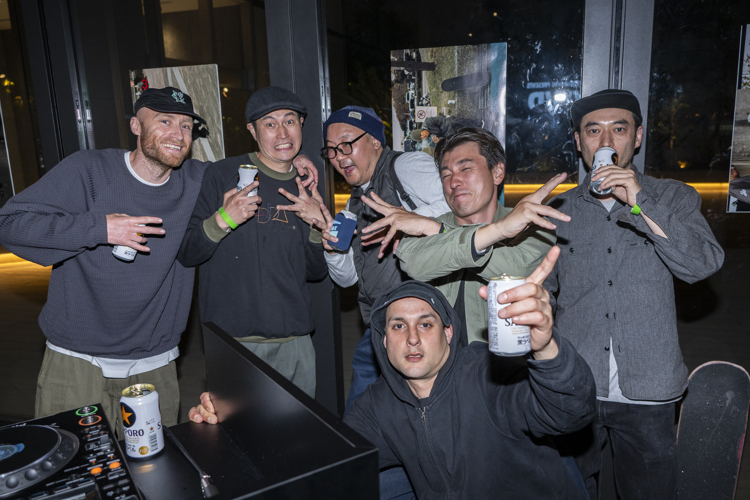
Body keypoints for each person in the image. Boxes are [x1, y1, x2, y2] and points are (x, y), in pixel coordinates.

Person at [189, 247, 597, 499]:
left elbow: (570, 412)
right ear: (383, 342)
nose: (413, 338)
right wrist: (232, 424)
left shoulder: (489, 376)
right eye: (398, 326)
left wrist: (546, 346)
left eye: (426, 323)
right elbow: (325, 463)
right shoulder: (376, 407)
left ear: (449, 332)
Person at [544, 89, 725, 500]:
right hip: (577, 386)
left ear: (638, 137)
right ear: (579, 141)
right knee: (567, 491)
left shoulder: (673, 197)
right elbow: (543, 293)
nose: (606, 141)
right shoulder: (559, 208)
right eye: (594, 130)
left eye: (619, 129)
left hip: (649, 390)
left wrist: (639, 201)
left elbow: (701, 264)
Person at [0, 87, 209, 431]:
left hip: (155, 363)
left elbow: (256, 172)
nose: (178, 134)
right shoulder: (89, 171)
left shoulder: (196, 180)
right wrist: (99, 228)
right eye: (165, 121)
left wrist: (296, 162)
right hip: (76, 362)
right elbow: (10, 224)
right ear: (136, 126)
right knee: (75, 462)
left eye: (186, 126)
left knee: (155, 464)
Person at [177, 86, 327, 398]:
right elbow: (188, 253)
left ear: (301, 124)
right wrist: (224, 219)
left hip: (295, 342)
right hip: (233, 342)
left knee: (300, 428)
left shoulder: (307, 187)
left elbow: (315, 272)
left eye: (290, 121)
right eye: (270, 124)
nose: (282, 133)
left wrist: (318, 229)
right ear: (252, 131)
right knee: (238, 429)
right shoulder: (223, 174)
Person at [360, 127, 564, 345]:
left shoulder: (532, 225)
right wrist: (496, 231)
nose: (454, 182)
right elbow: (413, 263)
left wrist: (439, 232)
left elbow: (517, 270)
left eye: (465, 169)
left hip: (506, 361)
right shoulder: (419, 227)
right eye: (446, 174)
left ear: (497, 172)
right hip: (439, 362)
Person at [315, 105, 450, 414]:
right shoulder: (354, 202)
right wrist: (333, 248)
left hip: (420, 328)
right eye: (332, 150)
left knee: (417, 416)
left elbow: (459, 207)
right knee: (363, 418)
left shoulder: (405, 166)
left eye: (346, 144)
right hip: (378, 329)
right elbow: (348, 279)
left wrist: (409, 218)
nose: (339, 157)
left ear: (375, 140)